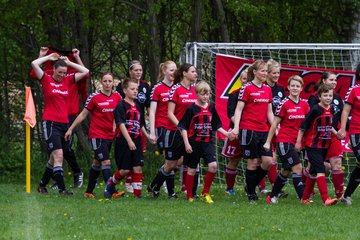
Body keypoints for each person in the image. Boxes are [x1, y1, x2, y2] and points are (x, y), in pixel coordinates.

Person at [30, 47, 88, 189]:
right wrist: (47, 58)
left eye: (64, 72)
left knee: (53, 157)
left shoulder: (67, 80)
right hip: (51, 122)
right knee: (59, 156)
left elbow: (85, 72)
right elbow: (34, 64)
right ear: (54, 70)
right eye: (60, 72)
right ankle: (62, 189)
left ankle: (42, 185)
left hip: (65, 123)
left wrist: (69, 62)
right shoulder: (46, 78)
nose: (62, 75)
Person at [65, 73, 122, 198]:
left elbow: (119, 113)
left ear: (113, 82)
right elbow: (83, 114)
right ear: (101, 82)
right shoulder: (95, 97)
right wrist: (70, 128)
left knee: (97, 162)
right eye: (105, 81)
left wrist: (115, 126)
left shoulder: (117, 96)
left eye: (110, 81)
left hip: (110, 135)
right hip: (97, 134)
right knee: (105, 161)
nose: (107, 84)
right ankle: (111, 191)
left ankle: (89, 191)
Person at [147, 63, 198, 198]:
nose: (196, 74)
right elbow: (162, 112)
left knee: (183, 160)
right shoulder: (168, 89)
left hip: (187, 131)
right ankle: (160, 188)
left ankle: (187, 192)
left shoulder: (193, 89)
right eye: (193, 71)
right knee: (170, 163)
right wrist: (152, 131)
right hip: (169, 130)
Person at [229, 59, 274, 202]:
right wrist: (236, 127)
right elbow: (239, 109)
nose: (265, 73)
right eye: (262, 71)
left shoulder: (268, 89)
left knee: (268, 161)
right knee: (253, 162)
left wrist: (275, 126)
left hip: (264, 130)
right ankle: (252, 195)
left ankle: (251, 186)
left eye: (266, 71)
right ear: (254, 72)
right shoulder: (246, 88)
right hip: (248, 130)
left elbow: (269, 112)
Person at [178, 81, 228, 203]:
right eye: (203, 94)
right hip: (193, 143)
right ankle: (189, 195)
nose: (205, 97)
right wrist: (186, 143)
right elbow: (183, 127)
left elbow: (216, 125)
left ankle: (205, 192)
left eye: (208, 94)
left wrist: (227, 134)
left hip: (207, 142)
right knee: (191, 169)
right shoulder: (191, 108)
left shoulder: (211, 107)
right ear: (197, 94)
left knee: (213, 166)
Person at [264, 75, 309, 204]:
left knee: (285, 170)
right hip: (284, 142)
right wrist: (268, 142)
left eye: (298, 86)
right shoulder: (283, 103)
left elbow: (307, 125)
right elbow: (274, 124)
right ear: (288, 87)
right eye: (292, 86)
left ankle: (271, 197)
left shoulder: (305, 105)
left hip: (298, 142)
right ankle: (303, 199)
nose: (295, 88)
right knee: (298, 167)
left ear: (301, 88)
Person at [105, 78, 152, 198]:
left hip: (137, 140)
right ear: (125, 90)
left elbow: (140, 124)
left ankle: (137, 195)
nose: (135, 91)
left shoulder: (138, 106)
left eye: (137, 89)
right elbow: (121, 125)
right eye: (132, 89)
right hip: (124, 141)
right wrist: (129, 141)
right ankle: (110, 184)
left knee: (138, 168)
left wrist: (147, 136)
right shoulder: (121, 106)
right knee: (125, 170)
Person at [296, 84, 338, 206]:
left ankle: (304, 198)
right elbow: (303, 127)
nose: (328, 98)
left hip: (325, 145)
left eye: (330, 95)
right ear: (319, 97)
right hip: (312, 145)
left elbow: (329, 126)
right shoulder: (315, 109)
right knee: (321, 170)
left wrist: (336, 134)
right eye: (325, 95)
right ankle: (326, 199)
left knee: (313, 172)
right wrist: (299, 142)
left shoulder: (332, 109)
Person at [305, 72, 344, 199]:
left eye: (336, 80)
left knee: (337, 163)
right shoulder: (314, 98)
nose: (334, 82)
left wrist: (342, 130)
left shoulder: (337, 98)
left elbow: (343, 115)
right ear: (323, 81)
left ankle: (340, 196)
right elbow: (312, 120)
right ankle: (305, 191)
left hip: (333, 135)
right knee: (317, 167)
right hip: (317, 136)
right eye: (331, 79)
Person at [116, 60, 151, 193]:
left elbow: (147, 108)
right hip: (126, 131)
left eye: (140, 70)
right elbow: (120, 118)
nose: (138, 72)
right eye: (136, 70)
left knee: (137, 161)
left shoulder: (145, 86)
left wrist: (147, 132)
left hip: (138, 127)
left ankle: (136, 191)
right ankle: (120, 182)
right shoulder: (121, 93)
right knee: (126, 166)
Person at [148, 61, 178, 198]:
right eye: (171, 70)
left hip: (175, 128)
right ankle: (171, 192)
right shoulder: (157, 88)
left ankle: (155, 185)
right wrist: (153, 132)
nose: (174, 73)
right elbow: (152, 112)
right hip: (162, 127)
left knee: (176, 160)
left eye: (175, 70)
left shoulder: (178, 88)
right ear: (164, 71)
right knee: (169, 160)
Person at [261, 59, 286, 195]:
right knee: (268, 157)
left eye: (278, 73)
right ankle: (269, 187)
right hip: (265, 126)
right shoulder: (263, 87)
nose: (277, 76)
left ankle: (271, 187)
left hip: (277, 126)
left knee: (271, 158)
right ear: (268, 73)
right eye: (274, 73)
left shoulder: (280, 89)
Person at [221, 68, 248, 196]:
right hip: (236, 131)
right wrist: (239, 125)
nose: (246, 81)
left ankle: (257, 187)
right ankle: (229, 188)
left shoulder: (256, 94)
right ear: (240, 80)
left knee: (254, 160)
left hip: (252, 131)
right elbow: (231, 114)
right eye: (244, 79)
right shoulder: (234, 94)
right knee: (234, 160)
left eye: (248, 79)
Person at [337, 79, 360, 205]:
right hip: (357, 131)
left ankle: (346, 196)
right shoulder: (354, 90)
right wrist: (342, 128)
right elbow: (345, 111)